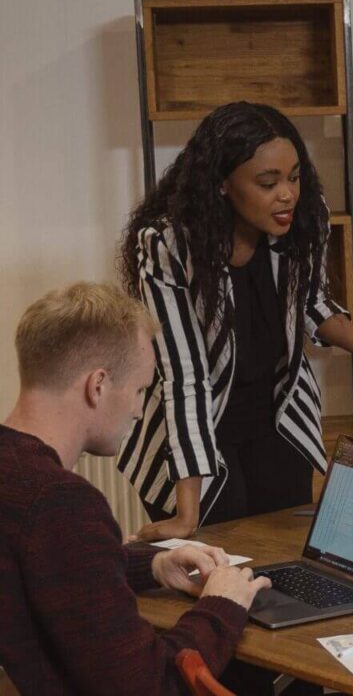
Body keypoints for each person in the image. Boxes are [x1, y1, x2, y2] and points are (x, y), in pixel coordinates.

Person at [119, 101, 353, 541]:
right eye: (268, 182)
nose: (287, 193)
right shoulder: (169, 244)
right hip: (192, 431)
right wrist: (186, 513)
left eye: (294, 176)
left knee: (281, 555)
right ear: (222, 185)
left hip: (275, 417)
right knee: (217, 562)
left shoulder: (303, 218)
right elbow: (184, 377)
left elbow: (312, 304)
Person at [0, 283, 270, 694]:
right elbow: (150, 685)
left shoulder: (15, 476)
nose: (140, 410)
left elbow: (58, 571)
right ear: (98, 385)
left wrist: (152, 566)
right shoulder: (60, 503)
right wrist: (222, 605)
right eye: (141, 390)